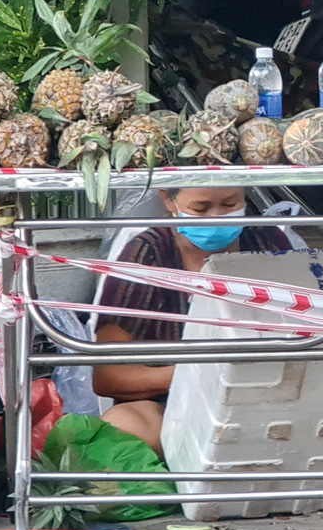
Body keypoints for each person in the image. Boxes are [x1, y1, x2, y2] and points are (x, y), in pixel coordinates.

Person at [90, 184, 291, 454]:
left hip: (263, 403)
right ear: (168, 200)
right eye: (201, 208)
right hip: (172, 409)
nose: (216, 218)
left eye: (230, 205)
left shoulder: (267, 242)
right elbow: (109, 376)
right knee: (122, 424)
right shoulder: (148, 254)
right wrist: (198, 373)